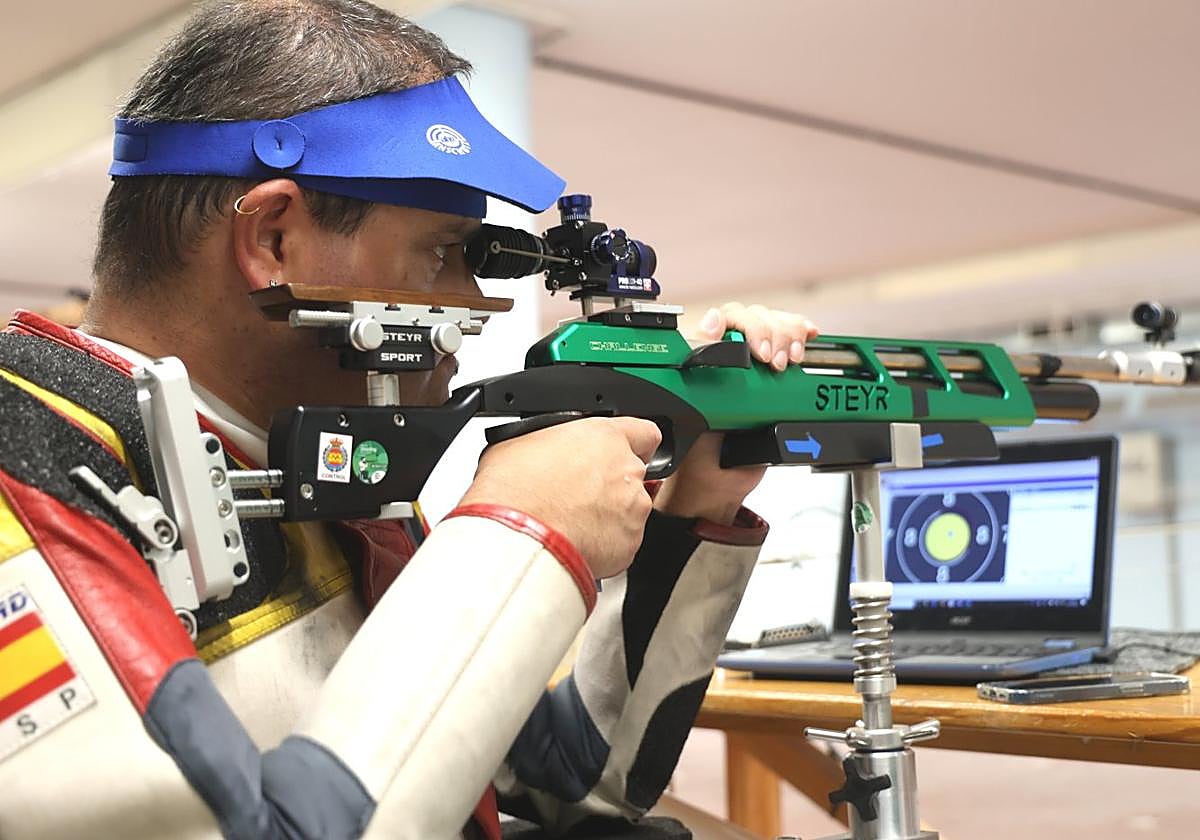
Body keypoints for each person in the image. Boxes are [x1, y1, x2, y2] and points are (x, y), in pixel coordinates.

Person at [0, 1, 817, 838]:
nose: (471, 303)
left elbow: (560, 782)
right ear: (274, 239)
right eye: (443, 252)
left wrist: (694, 508)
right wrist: (521, 533)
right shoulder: (26, 465)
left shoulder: (327, 473)